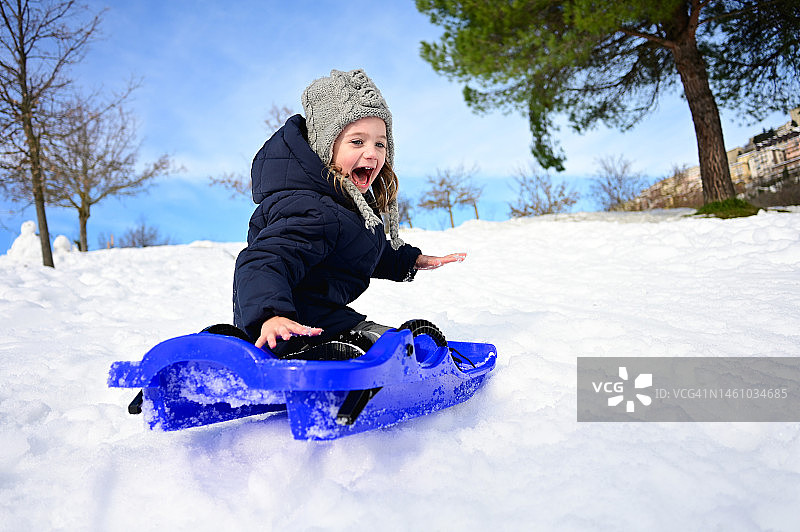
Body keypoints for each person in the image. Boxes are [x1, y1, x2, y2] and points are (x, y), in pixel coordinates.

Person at [233, 69, 464, 357]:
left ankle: (402, 359)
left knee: (395, 344)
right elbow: (264, 261)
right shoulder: (310, 206)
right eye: (357, 142)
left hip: (326, 320)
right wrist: (270, 315)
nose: (373, 153)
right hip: (287, 329)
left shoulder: (345, 207)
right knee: (382, 349)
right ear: (325, 148)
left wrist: (410, 260)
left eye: (380, 143)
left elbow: (363, 249)